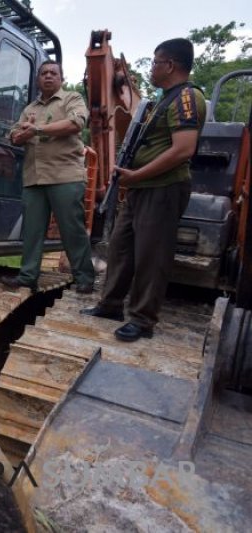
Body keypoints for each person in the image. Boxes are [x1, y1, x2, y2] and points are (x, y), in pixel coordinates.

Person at [81, 38, 206, 342]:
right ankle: (110, 305)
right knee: (120, 247)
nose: (151, 68)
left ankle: (142, 319)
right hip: (140, 187)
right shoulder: (163, 98)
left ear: (170, 65)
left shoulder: (187, 97)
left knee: (152, 256)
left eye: (154, 62)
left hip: (162, 188)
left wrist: (136, 174)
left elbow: (183, 149)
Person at [2, 60, 95, 293]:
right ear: (38, 80)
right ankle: (27, 276)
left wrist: (37, 129)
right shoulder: (29, 108)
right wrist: (22, 133)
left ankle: (84, 278)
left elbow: (76, 123)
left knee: (71, 229)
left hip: (65, 176)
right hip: (34, 178)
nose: (48, 76)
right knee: (32, 231)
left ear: (61, 78)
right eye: (44, 73)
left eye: (54, 73)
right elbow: (13, 135)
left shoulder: (72, 99)